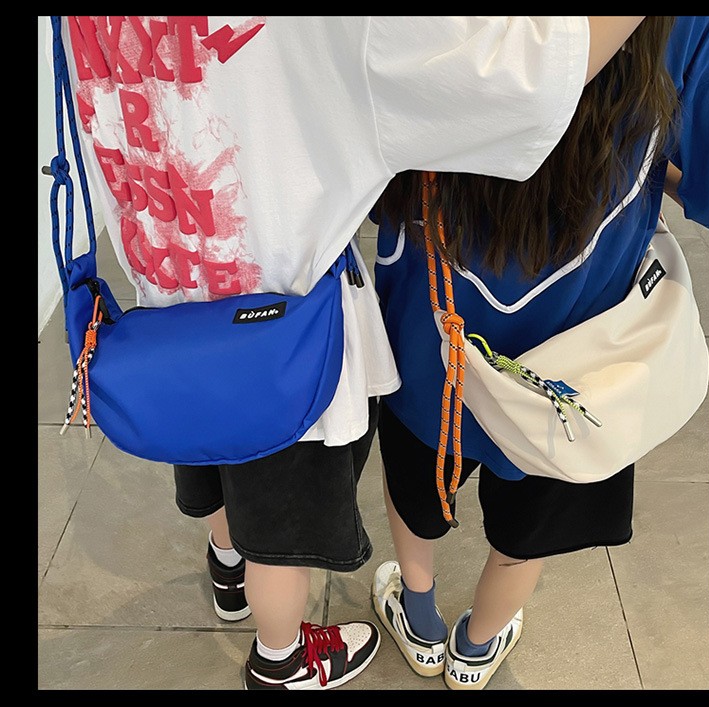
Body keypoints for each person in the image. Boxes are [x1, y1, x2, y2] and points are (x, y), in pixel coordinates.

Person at [52, 16, 648, 690]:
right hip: (281, 331)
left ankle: (226, 566)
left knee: (205, 454)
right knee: (278, 529)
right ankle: (281, 658)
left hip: (166, 293)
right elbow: (522, 80)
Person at [370, 15, 709, 690]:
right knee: (535, 512)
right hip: (576, 352)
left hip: (430, 322)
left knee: (415, 479)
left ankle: (420, 617)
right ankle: (476, 647)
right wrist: (649, 161)